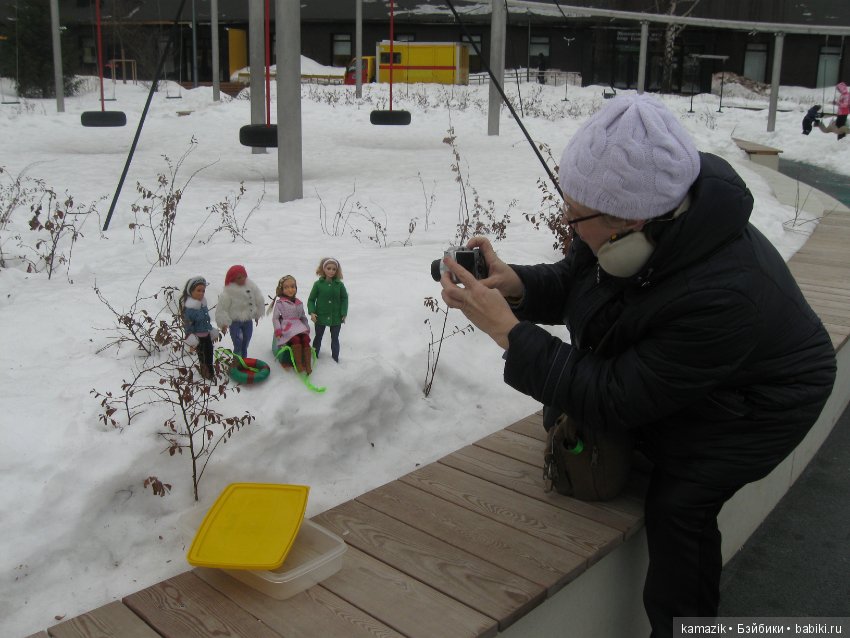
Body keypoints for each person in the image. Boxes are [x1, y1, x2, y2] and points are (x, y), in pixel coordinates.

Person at [439, 93, 836, 638]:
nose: (568, 224)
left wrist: (508, 332)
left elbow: (614, 396)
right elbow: (583, 283)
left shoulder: (724, 294)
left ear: (627, 220)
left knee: (679, 502)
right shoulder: (645, 223)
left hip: (765, 402)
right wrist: (519, 287)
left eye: (574, 215)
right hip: (701, 368)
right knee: (572, 404)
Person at [215, 264, 265, 358]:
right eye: (239, 277)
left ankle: (244, 359)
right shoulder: (228, 293)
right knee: (238, 341)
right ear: (232, 279)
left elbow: (258, 300)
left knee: (246, 340)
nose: (242, 279)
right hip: (235, 321)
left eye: (244, 276)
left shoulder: (251, 287)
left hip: (248, 320)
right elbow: (222, 309)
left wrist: (257, 313)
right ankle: (237, 360)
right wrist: (223, 323)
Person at [268, 275, 312, 375]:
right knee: (295, 339)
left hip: (299, 325)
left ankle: (307, 364)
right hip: (287, 327)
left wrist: (307, 328)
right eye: (286, 287)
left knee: (305, 339)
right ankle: (298, 364)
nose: (290, 289)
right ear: (282, 289)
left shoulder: (299, 303)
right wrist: (278, 330)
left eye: (292, 287)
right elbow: (275, 318)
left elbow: (303, 317)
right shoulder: (280, 303)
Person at [308, 257, 348, 363]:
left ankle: (335, 358)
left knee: (335, 338)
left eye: (334, 269)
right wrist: (312, 312)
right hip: (320, 315)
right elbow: (311, 299)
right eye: (328, 268)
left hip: (336, 317)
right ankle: (314, 356)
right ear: (323, 269)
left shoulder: (339, 285)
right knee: (318, 336)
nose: (331, 271)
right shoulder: (318, 284)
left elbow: (344, 298)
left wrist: (343, 312)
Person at [180, 276, 220, 380]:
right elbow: (188, 326)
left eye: (203, 291)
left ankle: (210, 372)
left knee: (209, 354)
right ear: (191, 291)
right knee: (203, 357)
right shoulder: (190, 309)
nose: (201, 293)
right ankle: (205, 374)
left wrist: (211, 330)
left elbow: (207, 320)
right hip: (198, 338)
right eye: (198, 290)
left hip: (206, 335)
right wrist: (192, 342)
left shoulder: (203, 304)